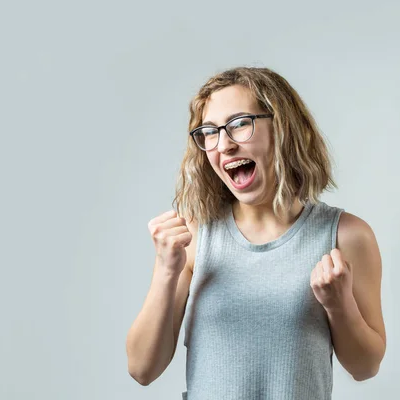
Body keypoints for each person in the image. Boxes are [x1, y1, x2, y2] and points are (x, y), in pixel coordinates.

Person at [126, 66, 386, 399]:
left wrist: (339, 305)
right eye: (210, 132)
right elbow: (142, 369)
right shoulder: (193, 235)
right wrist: (165, 270)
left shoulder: (346, 236)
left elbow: (365, 368)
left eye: (239, 125)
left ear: (283, 128)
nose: (225, 145)